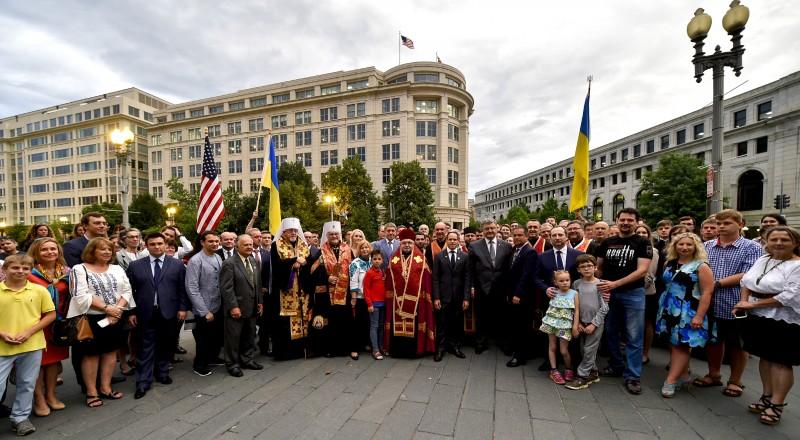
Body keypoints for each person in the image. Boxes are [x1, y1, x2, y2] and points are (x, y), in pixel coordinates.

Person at [733, 226, 800, 425]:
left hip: (784, 317)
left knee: (781, 361)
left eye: (784, 240)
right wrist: (743, 303)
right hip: (758, 314)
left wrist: (752, 304)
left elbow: (790, 295)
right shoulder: (764, 259)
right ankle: (767, 395)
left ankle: (777, 404)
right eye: (774, 239)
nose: (779, 243)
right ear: (766, 242)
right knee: (765, 357)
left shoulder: (797, 265)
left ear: (795, 243)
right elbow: (746, 281)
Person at [695, 209, 762, 397]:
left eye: (727, 223)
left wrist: (716, 283)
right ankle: (713, 374)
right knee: (713, 340)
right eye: (719, 223)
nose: (721, 227)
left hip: (736, 302)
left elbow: (748, 274)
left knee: (738, 344)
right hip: (709, 301)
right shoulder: (706, 246)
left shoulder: (752, 247)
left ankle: (735, 380)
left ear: (740, 225)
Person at [66, 237, 134, 407]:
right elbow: (79, 295)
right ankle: (91, 392)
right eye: (101, 249)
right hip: (90, 318)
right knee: (91, 355)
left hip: (116, 317)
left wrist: (116, 310)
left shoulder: (117, 268)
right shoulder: (79, 269)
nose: (106, 252)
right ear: (92, 251)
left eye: (109, 249)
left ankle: (105, 387)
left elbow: (127, 290)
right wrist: (107, 309)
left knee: (110, 352)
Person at [597, 208, 653, 395]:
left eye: (630, 220)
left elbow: (642, 270)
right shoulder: (607, 242)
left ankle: (633, 376)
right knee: (611, 331)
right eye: (623, 219)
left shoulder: (643, 243)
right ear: (616, 220)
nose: (626, 223)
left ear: (637, 222)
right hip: (609, 294)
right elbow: (599, 267)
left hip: (633, 293)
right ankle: (616, 366)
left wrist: (615, 284)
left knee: (634, 336)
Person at [126, 233, 188, 399]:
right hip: (145, 312)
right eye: (152, 244)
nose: (157, 247)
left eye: (160, 243)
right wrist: (131, 312)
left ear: (165, 244)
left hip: (169, 312)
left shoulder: (177, 265)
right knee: (145, 348)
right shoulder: (135, 266)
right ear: (146, 245)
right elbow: (129, 292)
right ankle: (143, 382)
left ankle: (162, 372)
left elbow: (182, 289)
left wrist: (183, 308)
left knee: (165, 344)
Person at [0, 254, 56, 436]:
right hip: (2, 346)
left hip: (31, 345)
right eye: (15, 268)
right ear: (5, 269)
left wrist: (29, 332)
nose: (20, 271)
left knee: (27, 383)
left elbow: (50, 314)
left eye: (25, 268)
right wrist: (2, 334)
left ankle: (20, 418)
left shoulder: (39, 291)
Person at [655, 233, 715, 397]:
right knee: (673, 344)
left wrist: (699, 316)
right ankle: (684, 375)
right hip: (669, 307)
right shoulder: (669, 263)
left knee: (682, 345)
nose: (685, 247)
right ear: (675, 246)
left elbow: (707, 292)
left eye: (689, 244)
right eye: (681, 244)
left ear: (696, 247)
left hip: (689, 310)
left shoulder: (701, 266)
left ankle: (671, 380)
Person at [26, 239, 70, 417]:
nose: (50, 252)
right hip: (35, 323)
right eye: (44, 249)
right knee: (36, 363)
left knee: (53, 362)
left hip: (58, 324)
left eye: (53, 248)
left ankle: (51, 395)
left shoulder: (66, 272)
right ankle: (39, 398)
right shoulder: (29, 272)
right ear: (36, 252)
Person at [383, 228, 436, 357]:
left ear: (413, 244)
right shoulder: (393, 260)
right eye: (404, 243)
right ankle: (398, 351)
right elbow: (389, 281)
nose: (407, 245)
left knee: (416, 324)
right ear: (400, 243)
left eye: (410, 243)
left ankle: (415, 351)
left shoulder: (421, 259)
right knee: (397, 324)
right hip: (397, 301)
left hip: (417, 300)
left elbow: (427, 280)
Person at [219, 234, 263, 377]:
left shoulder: (252, 260)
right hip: (236, 308)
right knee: (233, 338)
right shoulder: (229, 263)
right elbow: (226, 288)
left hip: (252, 307)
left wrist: (260, 302)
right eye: (246, 244)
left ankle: (247, 359)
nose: (250, 247)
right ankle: (232, 364)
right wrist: (233, 306)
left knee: (249, 336)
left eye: (251, 244)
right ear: (237, 246)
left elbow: (257, 284)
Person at [308, 221, 353, 358]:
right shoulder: (321, 251)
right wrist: (326, 279)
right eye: (331, 234)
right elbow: (312, 270)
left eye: (336, 234)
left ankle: (344, 348)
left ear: (340, 235)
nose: (334, 236)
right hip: (327, 294)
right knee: (330, 321)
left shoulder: (348, 249)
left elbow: (354, 269)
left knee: (344, 320)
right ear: (327, 236)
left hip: (345, 292)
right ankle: (329, 349)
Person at [468, 220, 512, 354]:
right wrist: (472, 286)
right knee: (481, 316)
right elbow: (470, 269)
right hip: (481, 287)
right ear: (483, 230)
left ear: (497, 229)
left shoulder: (506, 246)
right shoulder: (474, 246)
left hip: (501, 287)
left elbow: (508, 268)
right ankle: (481, 342)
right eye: (487, 229)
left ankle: (502, 342)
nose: (490, 231)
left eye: (492, 228)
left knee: (502, 316)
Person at [270, 218, 311, 360]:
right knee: (285, 322)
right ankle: (286, 353)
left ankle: (301, 350)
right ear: (284, 231)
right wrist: (292, 263)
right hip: (285, 291)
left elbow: (308, 263)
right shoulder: (276, 245)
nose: (293, 233)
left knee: (303, 318)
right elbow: (276, 266)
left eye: (295, 230)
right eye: (290, 230)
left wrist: (304, 264)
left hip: (302, 290)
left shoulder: (303, 244)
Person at [565, 254, 608, 390]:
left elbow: (605, 307)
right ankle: (593, 372)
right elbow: (573, 303)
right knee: (584, 349)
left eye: (589, 266)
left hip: (595, 324)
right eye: (583, 267)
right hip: (581, 322)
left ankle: (582, 376)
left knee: (590, 349)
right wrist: (576, 323)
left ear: (595, 267)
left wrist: (594, 324)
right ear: (578, 270)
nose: (586, 269)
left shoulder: (601, 285)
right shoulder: (576, 283)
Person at [185, 231, 224, 376]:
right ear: (202, 242)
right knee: (203, 339)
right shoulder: (195, 260)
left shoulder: (218, 257)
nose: (215, 244)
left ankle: (212, 358)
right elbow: (192, 287)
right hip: (203, 307)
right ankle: (199, 365)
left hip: (218, 305)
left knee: (215, 337)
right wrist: (203, 311)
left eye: (216, 241)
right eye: (211, 241)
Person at [432, 231, 470, 362]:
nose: (453, 241)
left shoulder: (465, 256)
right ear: (447, 240)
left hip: (459, 298)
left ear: (459, 241)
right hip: (443, 297)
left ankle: (455, 347)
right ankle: (440, 348)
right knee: (442, 323)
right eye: (450, 239)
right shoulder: (439, 256)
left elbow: (467, 278)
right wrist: (436, 297)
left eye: (455, 239)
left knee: (457, 323)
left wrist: (466, 298)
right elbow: (435, 278)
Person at [504, 227, 538, 367]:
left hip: (522, 296)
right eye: (515, 235)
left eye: (520, 235)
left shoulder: (530, 252)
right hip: (512, 293)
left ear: (526, 236)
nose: (517, 237)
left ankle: (520, 356)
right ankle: (516, 349)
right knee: (515, 323)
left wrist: (518, 293)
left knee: (523, 326)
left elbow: (526, 275)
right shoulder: (514, 250)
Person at [540, 271, 580, 385]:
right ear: (555, 282)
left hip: (565, 326)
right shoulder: (553, 292)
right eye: (561, 281)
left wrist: (575, 326)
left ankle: (568, 368)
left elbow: (577, 311)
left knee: (564, 350)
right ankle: (554, 370)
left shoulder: (574, 294)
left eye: (567, 280)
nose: (565, 283)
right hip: (551, 323)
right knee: (552, 346)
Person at [635, 224, 660, 366]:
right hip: (633, 290)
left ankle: (645, 353)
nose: (641, 234)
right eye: (638, 232)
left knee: (647, 324)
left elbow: (649, 275)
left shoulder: (652, 251)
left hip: (646, 292)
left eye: (644, 232)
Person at [348, 241, 373, 359]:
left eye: (367, 247)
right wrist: (353, 298)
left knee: (368, 322)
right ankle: (354, 348)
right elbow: (353, 281)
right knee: (357, 323)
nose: (365, 249)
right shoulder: (355, 263)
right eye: (362, 248)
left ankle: (366, 344)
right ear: (359, 249)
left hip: (373, 298)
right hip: (360, 298)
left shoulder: (373, 261)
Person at [363, 250, 387, 360]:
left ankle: (381, 346)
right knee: (374, 326)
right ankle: (375, 349)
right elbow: (366, 290)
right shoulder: (369, 273)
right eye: (374, 259)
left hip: (383, 303)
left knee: (381, 326)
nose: (377, 261)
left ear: (382, 260)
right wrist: (369, 304)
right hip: (374, 304)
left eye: (379, 259)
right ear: (371, 260)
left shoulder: (382, 271)